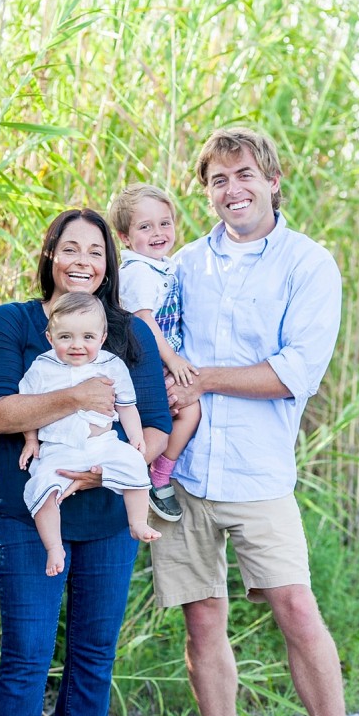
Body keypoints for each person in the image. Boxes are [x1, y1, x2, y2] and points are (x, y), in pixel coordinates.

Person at [150, 127, 346, 716]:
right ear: (208, 193)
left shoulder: (308, 264)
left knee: (294, 605)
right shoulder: (180, 266)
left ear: (272, 182)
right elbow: (152, 345)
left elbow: (295, 373)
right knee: (202, 618)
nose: (232, 190)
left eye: (244, 176)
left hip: (258, 474)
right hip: (180, 475)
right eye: (218, 180)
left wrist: (201, 378)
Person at [0, 208, 172, 716]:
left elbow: (153, 427)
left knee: (93, 660)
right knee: (26, 658)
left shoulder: (128, 334)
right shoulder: (13, 322)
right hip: (31, 513)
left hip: (109, 518)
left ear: (109, 264)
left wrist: (103, 473)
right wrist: (77, 396)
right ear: (50, 256)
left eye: (95, 251)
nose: (81, 261)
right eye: (70, 249)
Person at [18, 292, 159, 577]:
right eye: (66, 337)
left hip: (102, 443)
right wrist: (31, 441)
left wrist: (135, 437)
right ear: (50, 337)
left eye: (87, 337)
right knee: (43, 486)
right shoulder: (41, 368)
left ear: (102, 337)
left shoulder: (111, 365)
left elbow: (126, 405)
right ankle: (54, 547)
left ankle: (137, 522)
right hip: (58, 447)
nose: (77, 345)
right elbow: (27, 407)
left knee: (134, 464)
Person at [110, 184, 200, 522]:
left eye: (165, 223)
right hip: (148, 364)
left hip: (158, 361)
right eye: (145, 227)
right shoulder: (138, 273)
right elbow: (145, 322)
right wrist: (172, 360)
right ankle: (157, 475)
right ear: (125, 237)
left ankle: (149, 472)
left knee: (184, 410)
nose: (158, 233)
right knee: (190, 411)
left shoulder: (161, 267)